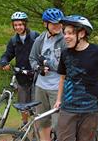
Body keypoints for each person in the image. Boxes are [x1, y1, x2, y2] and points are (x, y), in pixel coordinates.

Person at [54, 15, 98, 141]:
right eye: (64, 33)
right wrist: (58, 100)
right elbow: (62, 78)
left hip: (90, 110)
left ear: (81, 33)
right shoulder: (65, 53)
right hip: (67, 109)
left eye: (70, 33)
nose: (65, 37)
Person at [29, 8, 66, 141]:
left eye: (59, 23)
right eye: (53, 23)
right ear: (45, 24)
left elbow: (67, 65)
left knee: (59, 124)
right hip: (41, 85)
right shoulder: (40, 39)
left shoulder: (65, 40)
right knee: (43, 121)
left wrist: (49, 64)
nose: (58, 26)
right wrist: (38, 67)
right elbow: (32, 58)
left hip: (57, 87)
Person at [0, 11, 39, 126]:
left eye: (20, 24)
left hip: (36, 75)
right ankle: (25, 124)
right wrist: (3, 61)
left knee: (36, 103)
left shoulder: (35, 36)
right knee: (22, 102)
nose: (18, 27)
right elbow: (7, 54)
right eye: (15, 25)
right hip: (21, 75)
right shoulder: (13, 41)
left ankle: (36, 127)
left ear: (25, 24)